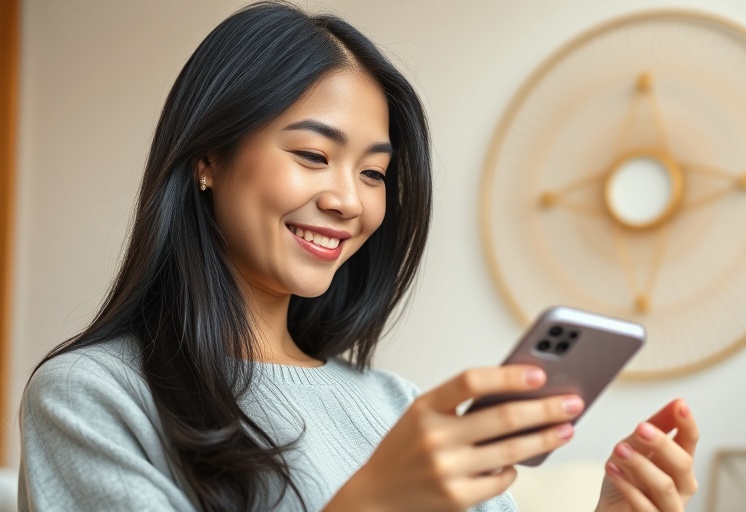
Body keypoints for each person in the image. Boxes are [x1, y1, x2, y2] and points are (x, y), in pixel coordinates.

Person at [18, 2, 699, 511]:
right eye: (313, 155)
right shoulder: (93, 397)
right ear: (208, 159)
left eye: (373, 173)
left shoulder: (396, 406)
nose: (349, 200)